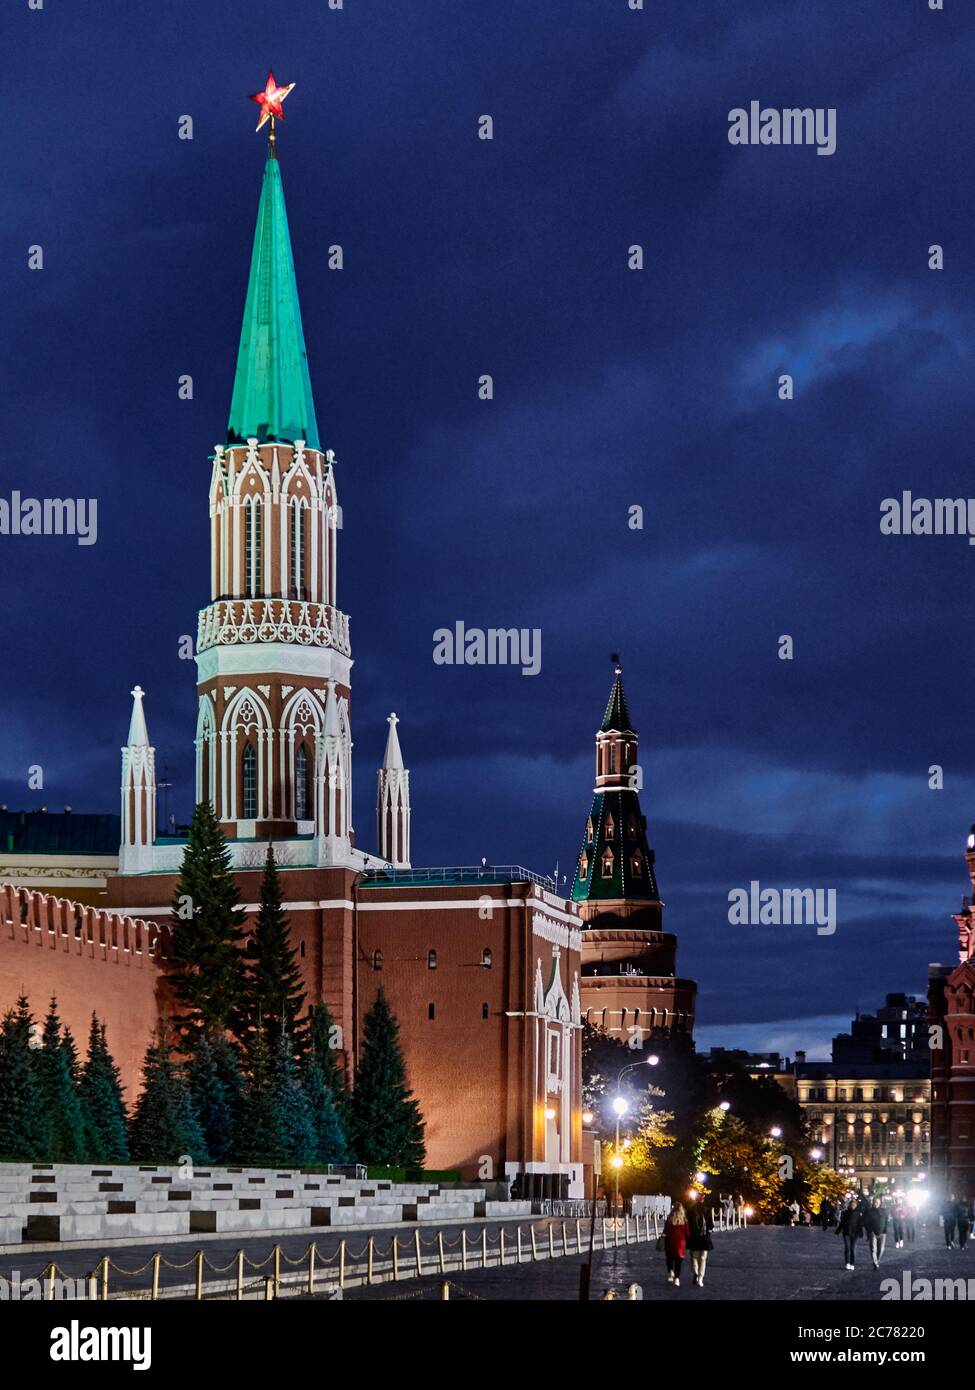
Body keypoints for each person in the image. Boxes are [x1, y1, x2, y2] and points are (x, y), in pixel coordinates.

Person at [687, 1205, 714, 1287]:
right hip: (704, 1237)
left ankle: (695, 1272)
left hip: (694, 1236)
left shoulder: (691, 1209)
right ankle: (700, 1278)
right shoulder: (707, 1209)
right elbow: (710, 1225)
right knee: (703, 1258)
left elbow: (688, 1224)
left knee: (694, 1257)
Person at [664, 1202, 689, 1287]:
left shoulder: (670, 1219)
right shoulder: (684, 1220)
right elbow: (687, 1233)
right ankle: (677, 1279)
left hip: (670, 1241)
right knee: (678, 1261)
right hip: (680, 1243)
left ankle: (670, 1271)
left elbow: (665, 1230)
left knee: (670, 1258)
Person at [837, 1198, 862, 1270]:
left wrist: (861, 1232)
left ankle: (852, 1263)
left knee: (853, 1249)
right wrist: (838, 1230)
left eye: (854, 1205)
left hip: (855, 1233)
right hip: (846, 1233)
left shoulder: (858, 1213)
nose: (853, 1206)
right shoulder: (845, 1212)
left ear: (856, 1205)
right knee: (847, 1248)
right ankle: (847, 1263)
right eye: (851, 1204)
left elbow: (860, 1223)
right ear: (849, 1205)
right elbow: (842, 1222)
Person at [863, 1197, 888, 1269]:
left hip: (882, 1233)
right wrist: (870, 1230)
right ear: (872, 1203)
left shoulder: (883, 1211)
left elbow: (886, 1221)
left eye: (877, 1202)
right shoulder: (869, 1211)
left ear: (880, 1203)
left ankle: (877, 1260)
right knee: (873, 1249)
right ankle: (875, 1262)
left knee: (881, 1249)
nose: (876, 1203)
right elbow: (865, 1222)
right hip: (872, 1232)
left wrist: (885, 1230)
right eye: (875, 1202)